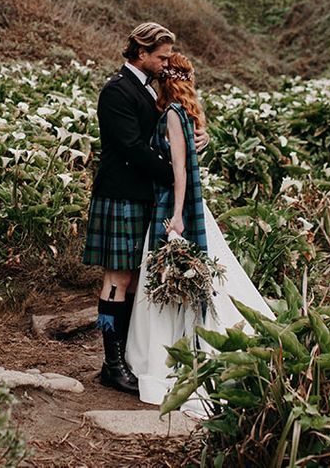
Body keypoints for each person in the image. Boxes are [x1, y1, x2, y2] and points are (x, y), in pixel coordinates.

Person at [125, 52, 273, 407]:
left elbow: (180, 172)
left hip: (174, 207)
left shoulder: (174, 115)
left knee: (170, 282)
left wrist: (176, 217)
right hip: (181, 204)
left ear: (166, 80)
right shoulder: (181, 114)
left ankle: (175, 355)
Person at [82, 22, 209, 395]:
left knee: (135, 279)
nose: (166, 63)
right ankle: (111, 363)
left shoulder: (152, 92)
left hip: (145, 199)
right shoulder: (116, 91)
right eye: (162, 56)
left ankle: (126, 357)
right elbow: (132, 148)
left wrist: (198, 136)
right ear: (142, 53)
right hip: (119, 195)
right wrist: (176, 172)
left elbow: (170, 133)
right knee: (116, 279)